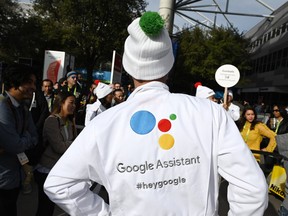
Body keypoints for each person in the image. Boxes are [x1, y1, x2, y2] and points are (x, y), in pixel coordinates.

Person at [44, 12, 268, 215]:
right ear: (169, 65)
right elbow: (253, 189)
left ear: (129, 67)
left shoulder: (105, 124)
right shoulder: (211, 114)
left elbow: (59, 184)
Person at [0, 63, 38, 216]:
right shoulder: (2, 107)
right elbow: (15, 145)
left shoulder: (22, 108)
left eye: (34, 83)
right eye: (29, 82)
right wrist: (25, 138)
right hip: (3, 179)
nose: (34, 87)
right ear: (15, 83)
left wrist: (23, 139)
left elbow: (35, 136)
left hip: (14, 178)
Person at [34, 91, 77, 216]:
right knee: (45, 207)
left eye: (75, 103)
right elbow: (59, 147)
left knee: (50, 207)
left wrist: (70, 143)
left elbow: (69, 143)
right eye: (71, 103)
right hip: (46, 169)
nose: (74, 106)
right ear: (61, 103)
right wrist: (74, 144)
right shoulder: (52, 121)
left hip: (59, 169)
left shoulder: (69, 121)